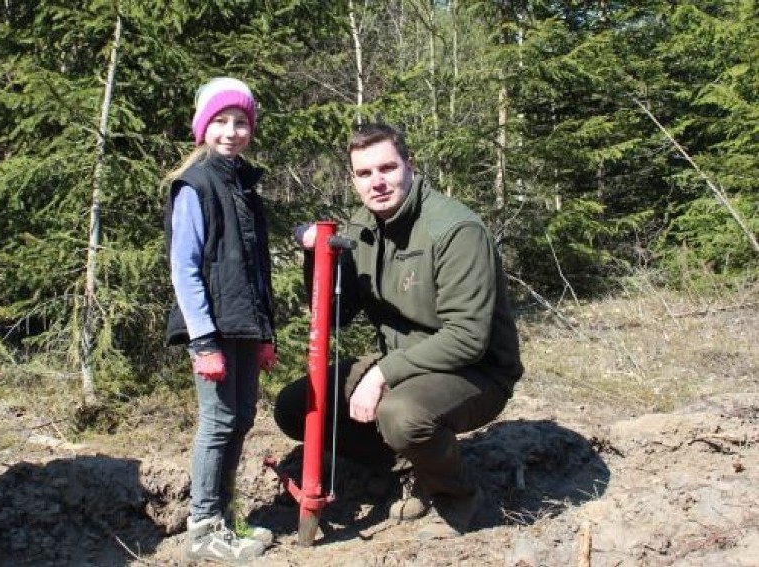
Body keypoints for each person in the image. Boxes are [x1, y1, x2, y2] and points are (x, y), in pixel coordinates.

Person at [274, 123, 524, 540]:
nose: (378, 182)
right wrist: (314, 256)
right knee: (297, 406)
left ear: (410, 165)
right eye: (365, 173)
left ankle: (455, 496)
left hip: (476, 371)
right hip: (404, 363)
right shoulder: (360, 228)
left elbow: (468, 337)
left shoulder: (454, 230)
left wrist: (381, 375)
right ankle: (409, 465)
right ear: (353, 180)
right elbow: (336, 314)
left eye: (387, 168)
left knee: (402, 416)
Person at [164, 77, 277, 562]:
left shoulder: (245, 188)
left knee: (243, 417)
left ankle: (225, 521)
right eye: (221, 121)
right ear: (202, 127)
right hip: (212, 328)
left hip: (245, 326)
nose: (231, 131)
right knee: (217, 422)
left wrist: (265, 334)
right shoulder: (196, 185)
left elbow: (256, 270)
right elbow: (184, 267)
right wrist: (202, 340)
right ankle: (204, 529)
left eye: (240, 122)